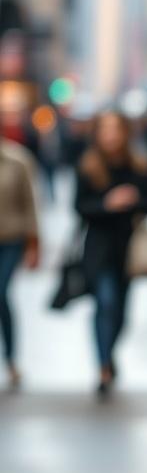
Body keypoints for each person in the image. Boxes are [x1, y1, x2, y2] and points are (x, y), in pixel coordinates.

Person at [75, 110, 147, 395]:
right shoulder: (88, 165)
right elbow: (80, 207)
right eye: (105, 129)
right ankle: (103, 365)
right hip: (98, 246)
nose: (110, 135)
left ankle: (109, 352)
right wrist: (107, 204)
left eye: (115, 129)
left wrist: (134, 200)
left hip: (128, 248)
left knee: (121, 312)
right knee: (104, 304)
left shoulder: (139, 164)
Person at [0, 138, 40, 387]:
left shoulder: (18, 160)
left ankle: (12, 357)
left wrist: (35, 242)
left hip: (11, 239)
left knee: (0, 292)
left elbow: (31, 203)